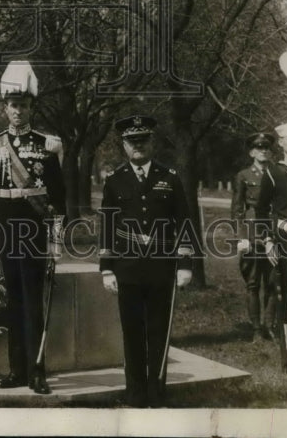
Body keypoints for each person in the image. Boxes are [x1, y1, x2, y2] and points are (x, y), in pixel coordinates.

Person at [0, 60, 66, 395]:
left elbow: (58, 195)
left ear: (32, 107)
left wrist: (56, 236)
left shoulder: (46, 144)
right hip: (4, 227)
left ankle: (36, 370)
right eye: (14, 106)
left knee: (33, 300)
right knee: (13, 300)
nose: (19, 111)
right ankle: (17, 370)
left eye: (24, 105)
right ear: (5, 109)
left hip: (33, 228)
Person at [99, 114, 194, 408]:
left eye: (142, 140)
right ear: (124, 145)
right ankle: (136, 393)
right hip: (127, 269)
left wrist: (186, 265)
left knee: (158, 331)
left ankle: (157, 392)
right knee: (132, 333)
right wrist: (106, 268)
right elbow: (107, 227)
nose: (138, 146)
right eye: (132, 141)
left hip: (161, 268)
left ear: (151, 142)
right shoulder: (115, 181)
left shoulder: (170, 178)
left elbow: (184, 221)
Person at [231, 131, 276, 340]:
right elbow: (238, 208)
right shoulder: (244, 176)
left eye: (266, 147)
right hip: (252, 232)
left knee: (273, 281)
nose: (263, 150)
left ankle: (270, 326)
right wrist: (241, 237)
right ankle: (257, 329)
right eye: (259, 147)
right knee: (253, 282)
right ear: (251, 152)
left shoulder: (278, 173)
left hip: (275, 233)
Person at [256, 122, 287, 344]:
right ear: (284, 143)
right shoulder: (274, 171)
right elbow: (261, 209)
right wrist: (268, 240)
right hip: (286, 239)